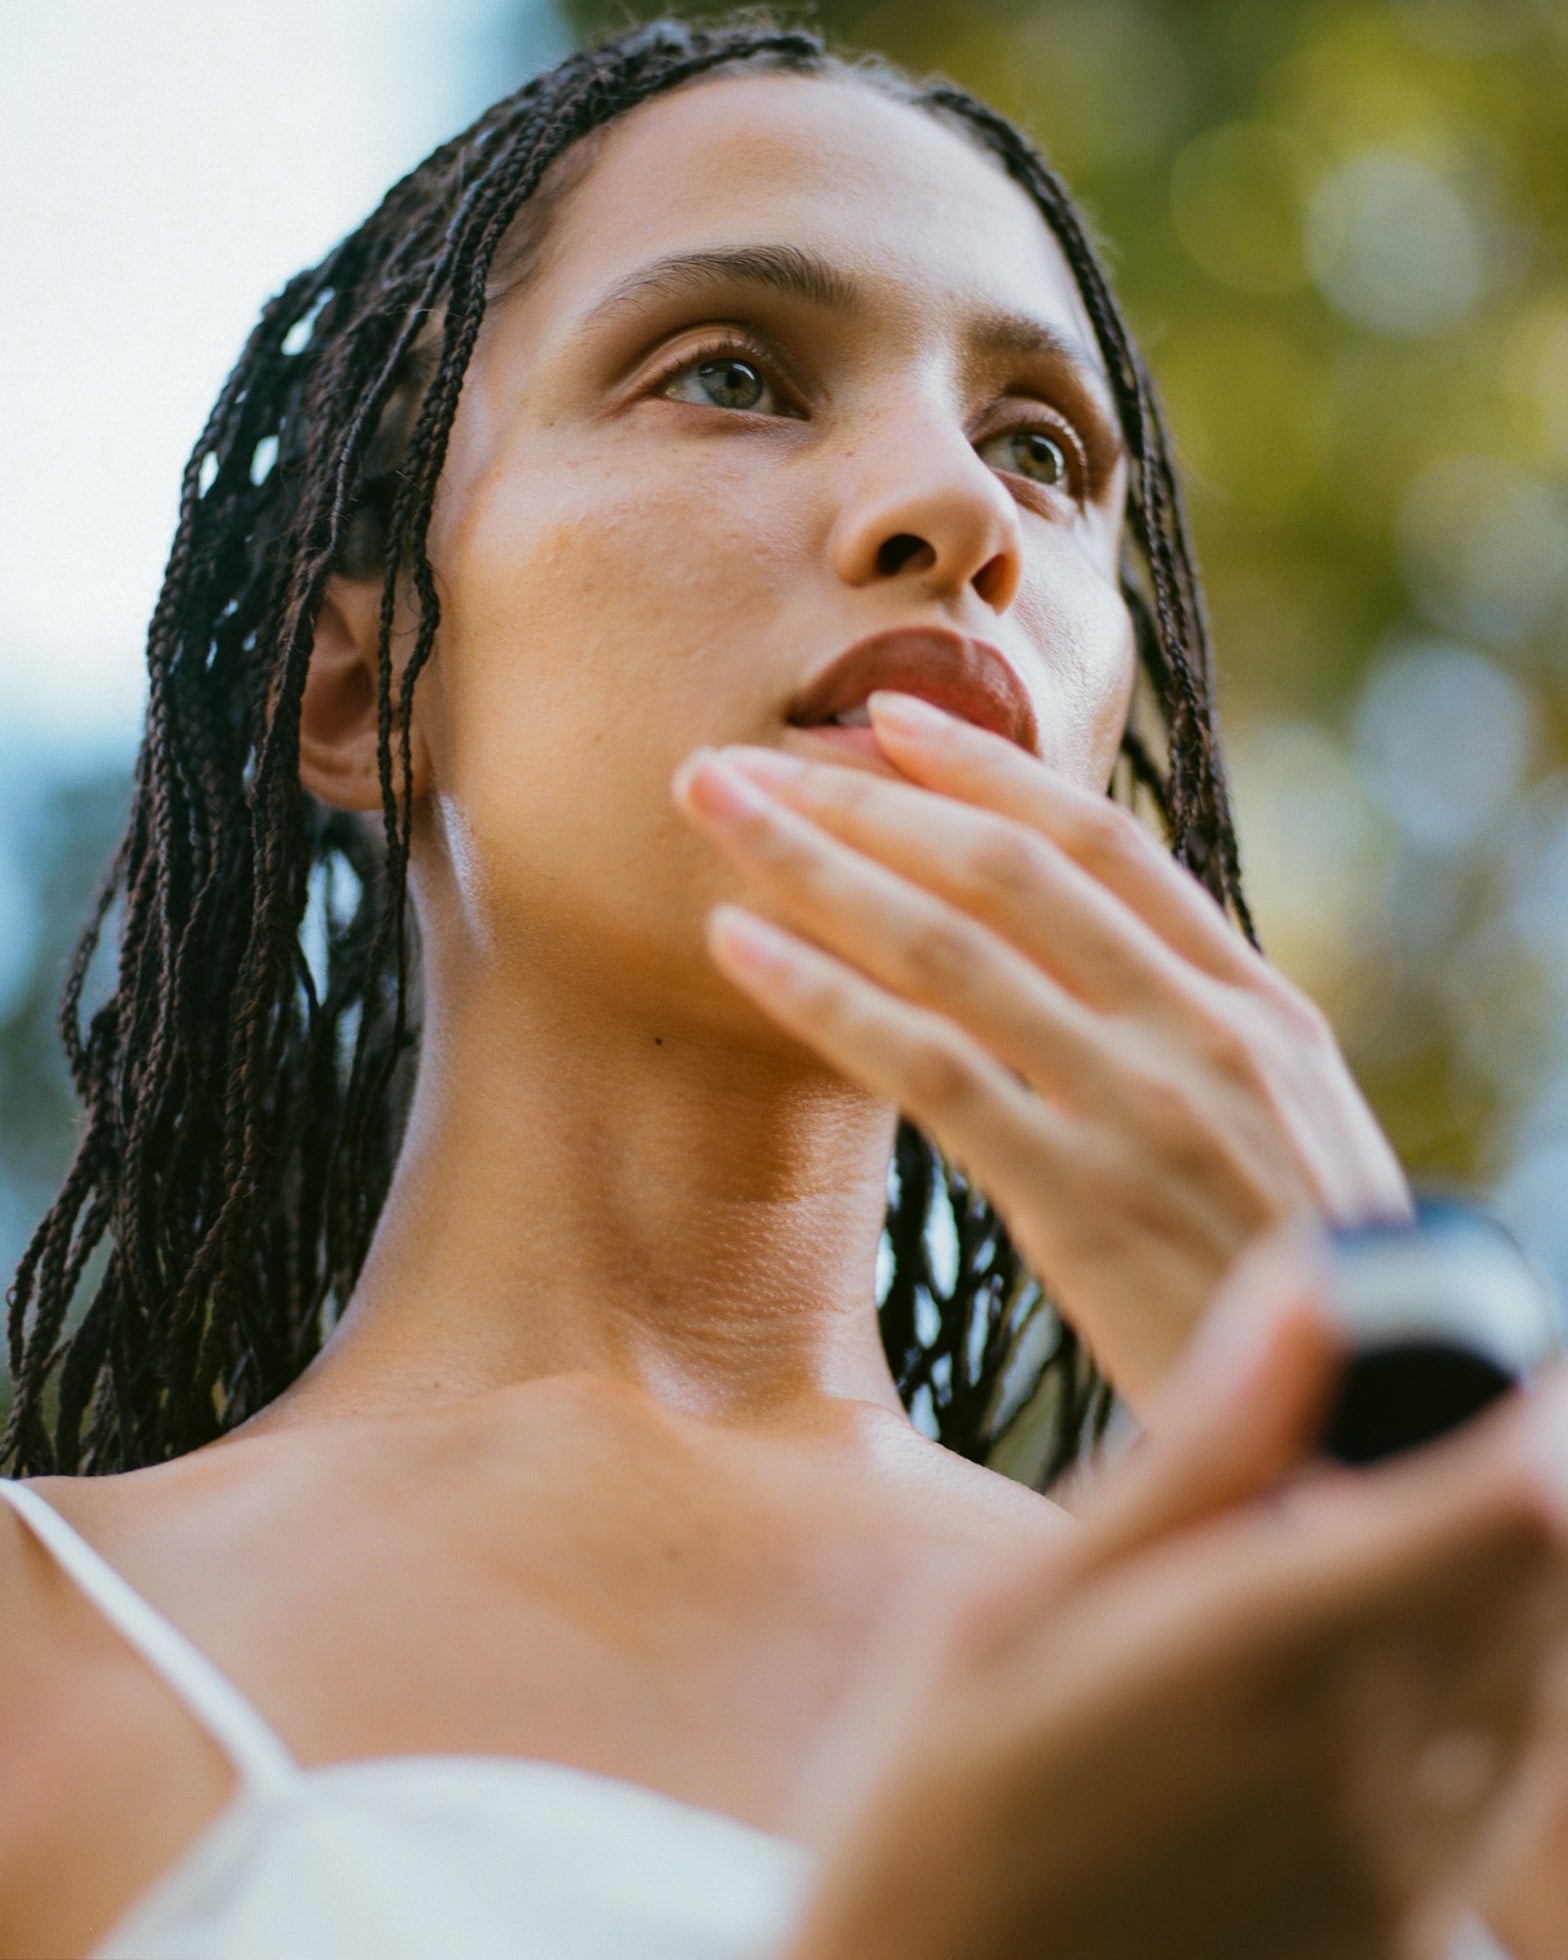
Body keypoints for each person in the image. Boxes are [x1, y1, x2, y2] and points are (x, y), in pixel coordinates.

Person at [1, 17, 1564, 1957]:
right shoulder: (37, 1657)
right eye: (729, 373)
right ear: (354, 682)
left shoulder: (1376, 1672)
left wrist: (1405, 1422)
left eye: (1040, 450)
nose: (959, 511)